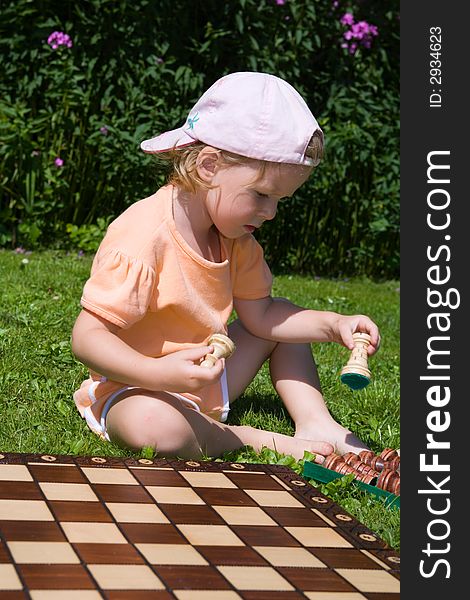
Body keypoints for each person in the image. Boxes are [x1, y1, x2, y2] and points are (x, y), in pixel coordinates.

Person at [71, 71, 380, 462]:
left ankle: (316, 421)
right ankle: (243, 436)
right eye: (262, 195)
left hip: (207, 376)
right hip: (135, 387)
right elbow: (87, 338)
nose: (270, 213)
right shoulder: (144, 235)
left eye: (279, 200)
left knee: (284, 325)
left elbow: (263, 316)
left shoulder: (235, 238)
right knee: (153, 425)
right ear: (208, 166)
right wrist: (159, 375)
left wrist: (334, 324)